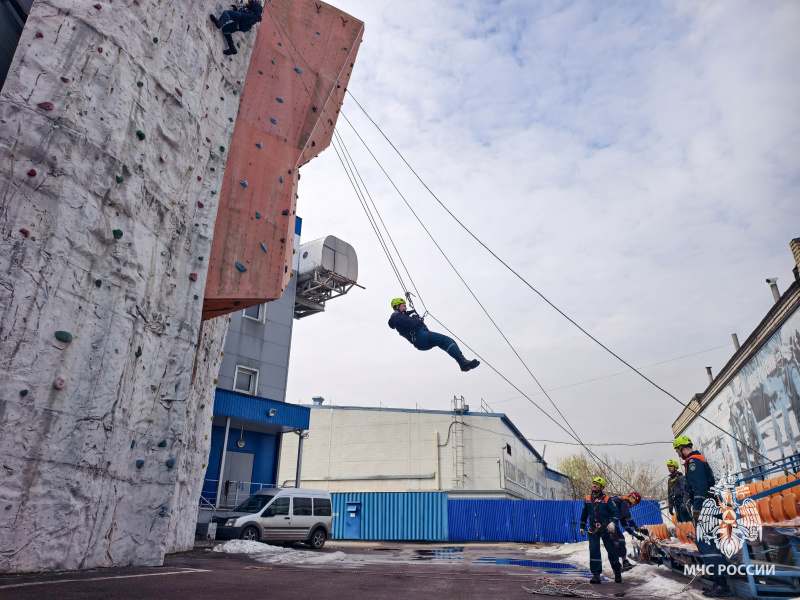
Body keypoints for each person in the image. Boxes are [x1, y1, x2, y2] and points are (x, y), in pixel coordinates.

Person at [674, 436, 732, 598]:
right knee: (707, 543)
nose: (678, 454)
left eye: (677, 450)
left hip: (705, 507)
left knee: (707, 544)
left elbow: (699, 487)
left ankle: (722, 585)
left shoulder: (694, 462)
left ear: (681, 448)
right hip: (706, 506)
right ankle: (718, 582)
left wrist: (698, 509)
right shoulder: (695, 461)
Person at [388, 298, 480, 372]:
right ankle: (462, 361)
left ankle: (462, 363)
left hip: (420, 341)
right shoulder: (397, 317)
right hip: (420, 336)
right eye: (404, 306)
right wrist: (416, 317)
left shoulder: (398, 317)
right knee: (446, 340)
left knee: (443, 343)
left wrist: (410, 313)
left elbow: (407, 319)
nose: (406, 308)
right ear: (397, 307)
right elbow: (412, 322)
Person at [579, 477, 622, 584]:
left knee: (612, 551)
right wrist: (581, 526)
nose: (594, 485)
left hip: (606, 528)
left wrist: (613, 523)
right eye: (593, 483)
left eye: (596, 484)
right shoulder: (588, 498)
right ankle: (596, 574)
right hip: (593, 529)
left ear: (601, 487)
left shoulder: (607, 499)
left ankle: (617, 571)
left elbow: (617, 512)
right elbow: (584, 513)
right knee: (594, 551)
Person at [610, 491, 642, 571]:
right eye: (636, 502)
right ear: (632, 498)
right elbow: (626, 514)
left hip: (613, 523)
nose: (635, 505)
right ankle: (616, 566)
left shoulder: (620, 505)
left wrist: (635, 535)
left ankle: (625, 562)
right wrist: (634, 525)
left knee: (621, 539)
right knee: (616, 542)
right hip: (608, 522)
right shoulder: (625, 500)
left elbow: (624, 525)